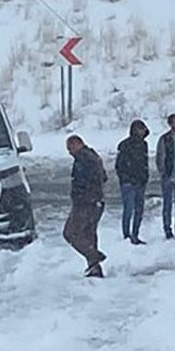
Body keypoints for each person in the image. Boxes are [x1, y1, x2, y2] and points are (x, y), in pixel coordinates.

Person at [64, 135, 107, 278]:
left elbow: (85, 182)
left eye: (70, 148)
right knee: (89, 234)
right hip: (96, 201)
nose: (70, 152)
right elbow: (104, 177)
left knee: (71, 233)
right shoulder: (93, 156)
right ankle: (94, 268)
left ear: (78, 144)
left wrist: (81, 195)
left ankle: (94, 256)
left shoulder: (84, 159)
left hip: (86, 203)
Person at [115, 119, 150, 244]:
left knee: (139, 209)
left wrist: (145, 176)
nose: (142, 132)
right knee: (129, 209)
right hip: (128, 182)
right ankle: (127, 236)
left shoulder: (143, 145)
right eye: (140, 129)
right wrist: (126, 178)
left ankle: (135, 233)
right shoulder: (125, 145)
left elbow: (144, 163)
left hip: (140, 181)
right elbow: (119, 165)